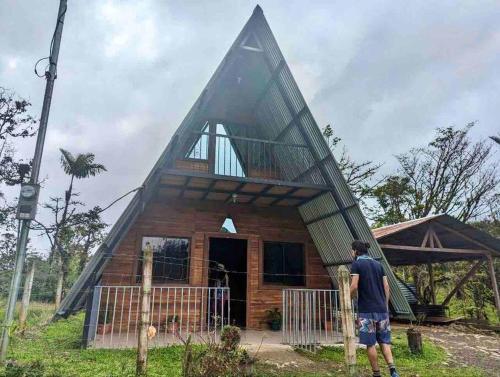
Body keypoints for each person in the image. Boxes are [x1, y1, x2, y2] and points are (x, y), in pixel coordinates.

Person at [350, 240, 399, 377]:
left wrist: (346, 298)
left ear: (355, 251)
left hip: (366, 311)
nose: (351, 253)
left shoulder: (357, 264)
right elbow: (387, 287)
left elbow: (354, 286)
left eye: (351, 250)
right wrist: (385, 306)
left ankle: (376, 373)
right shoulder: (378, 265)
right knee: (384, 341)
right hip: (382, 310)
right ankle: (392, 369)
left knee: (370, 344)